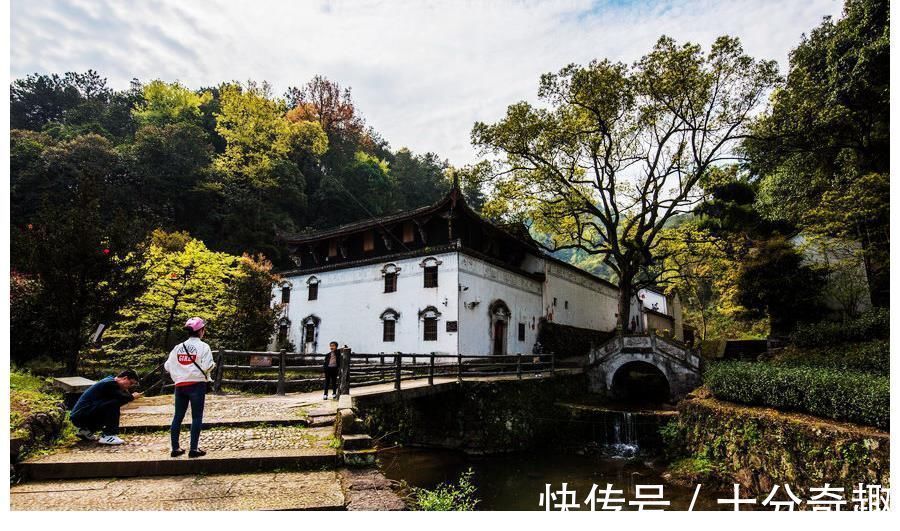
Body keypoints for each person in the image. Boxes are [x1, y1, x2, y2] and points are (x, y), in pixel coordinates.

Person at [165, 317, 215, 458]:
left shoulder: (178, 347)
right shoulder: (204, 347)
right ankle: (193, 448)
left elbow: (167, 366)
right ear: (201, 331)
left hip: (180, 385)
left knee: (178, 417)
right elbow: (207, 366)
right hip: (197, 385)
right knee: (196, 417)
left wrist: (180, 373)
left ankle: (175, 448)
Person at [70, 369, 142, 445]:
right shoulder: (109, 384)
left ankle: (87, 431)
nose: (130, 386)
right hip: (81, 416)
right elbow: (121, 398)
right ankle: (109, 435)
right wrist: (132, 397)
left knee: (110, 405)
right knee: (113, 404)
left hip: (79, 416)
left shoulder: (109, 381)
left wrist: (128, 396)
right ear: (125, 378)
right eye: (130, 383)